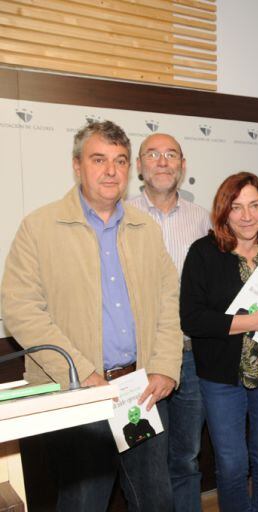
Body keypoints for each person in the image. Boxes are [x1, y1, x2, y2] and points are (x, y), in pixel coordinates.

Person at [1, 120, 181, 511]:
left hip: (140, 393)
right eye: (98, 159)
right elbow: (20, 309)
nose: (111, 171)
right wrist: (81, 372)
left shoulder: (145, 230)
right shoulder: (40, 227)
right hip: (77, 394)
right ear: (76, 166)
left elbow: (169, 301)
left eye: (119, 161)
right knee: (83, 502)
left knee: (155, 500)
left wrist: (165, 365)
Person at [180, 172, 258, 512]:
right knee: (232, 463)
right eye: (237, 207)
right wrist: (250, 322)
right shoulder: (203, 252)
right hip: (221, 378)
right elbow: (192, 318)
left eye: (255, 205)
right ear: (223, 212)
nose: (247, 215)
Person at [127, 133, 210, 512]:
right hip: (138, 362)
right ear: (139, 166)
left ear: (183, 165)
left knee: (185, 457)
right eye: (153, 155)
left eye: (171, 154)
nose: (163, 161)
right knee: (145, 461)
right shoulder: (121, 215)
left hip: (191, 357)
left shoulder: (203, 219)